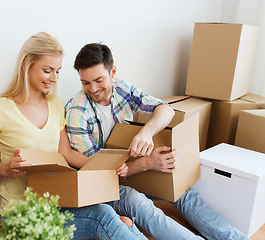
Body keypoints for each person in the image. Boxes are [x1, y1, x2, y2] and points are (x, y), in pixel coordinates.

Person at [65, 42, 249, 240]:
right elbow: (98, 174)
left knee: (182, 190)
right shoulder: (78, 112)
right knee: (141, 204)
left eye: (99, 80)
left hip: (128, 169)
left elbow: (165, 109)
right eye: (85, 83)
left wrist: (146, 133)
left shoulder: (120, 88)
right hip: (101, 186)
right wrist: (147, 163)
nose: (93, 89)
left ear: (113, 72)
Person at [0, 32, 147, 239]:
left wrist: (106, 168)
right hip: (22, 210)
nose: (54, 78)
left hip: (57, 200)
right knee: (105, 218)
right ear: (26, 64)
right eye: (47, 70)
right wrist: (7, 169)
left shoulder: (56, 105)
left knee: (119, 219)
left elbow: (65, 152)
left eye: (57, 71)